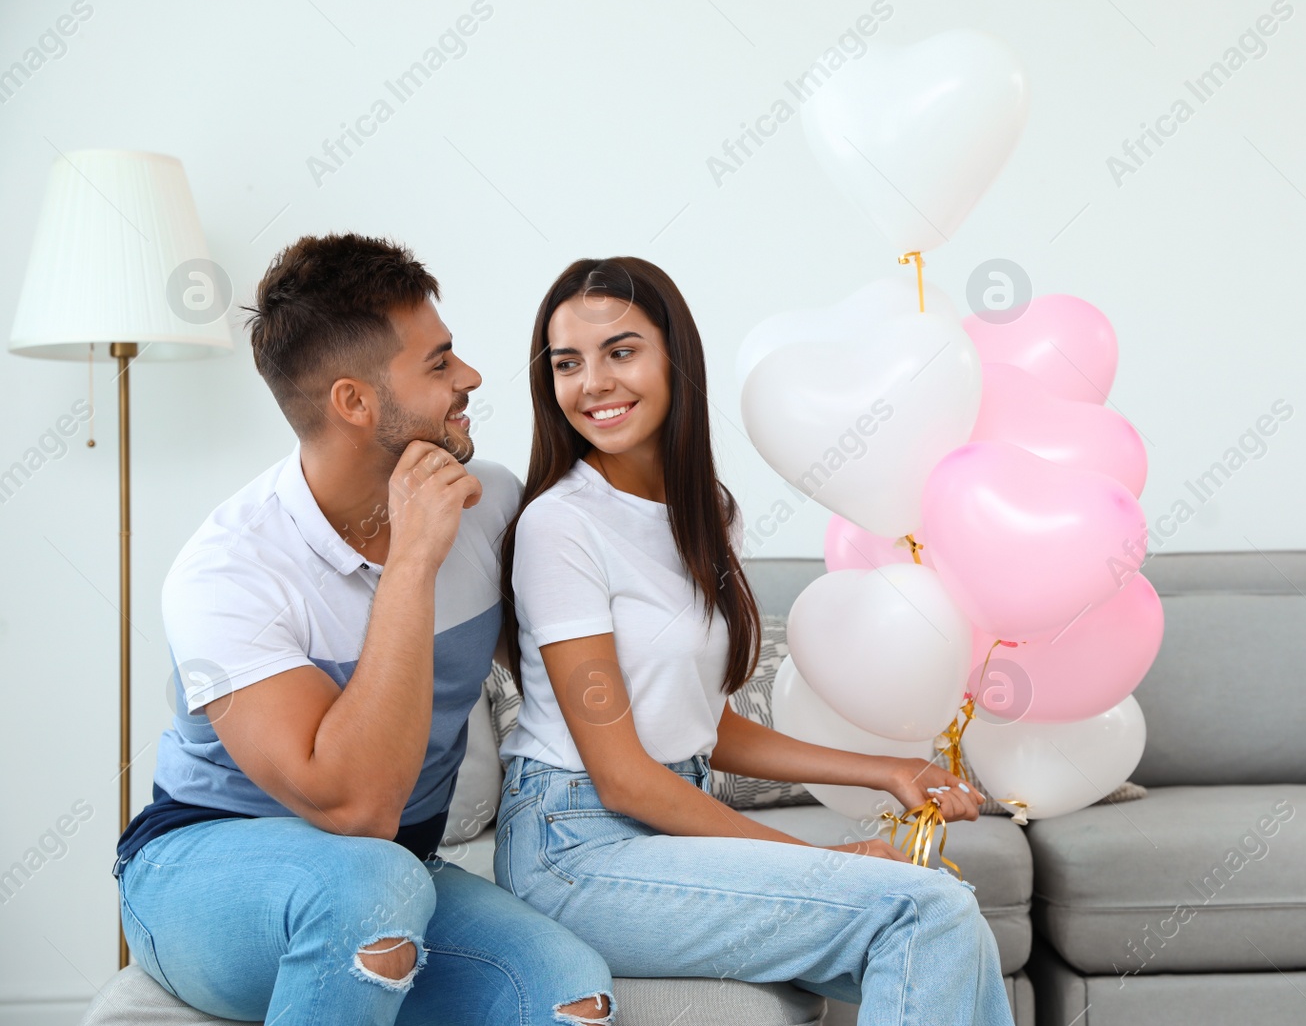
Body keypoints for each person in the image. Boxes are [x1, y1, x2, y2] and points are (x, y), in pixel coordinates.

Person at [493, 256, 1015, 1025]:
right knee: (922, 909)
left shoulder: (707, 512)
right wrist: (819, 858)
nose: (593, 382)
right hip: (574, 850)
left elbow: (700, 724)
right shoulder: (560, 525)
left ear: (676, 358)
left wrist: (889, 769)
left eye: (621, 350)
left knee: (946, 913)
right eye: (568, 363)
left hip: (664, 828)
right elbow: (626, 776)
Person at [114, 234, 613, 1025]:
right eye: (440, 363)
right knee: (370, 887)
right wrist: (412, 560)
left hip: (396, 872)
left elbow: (590, 682)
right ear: (355, 401)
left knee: (569, 993)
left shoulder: (488, 506)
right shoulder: (226, 573)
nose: (471, 378)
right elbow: (357, 809)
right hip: (204, 868)